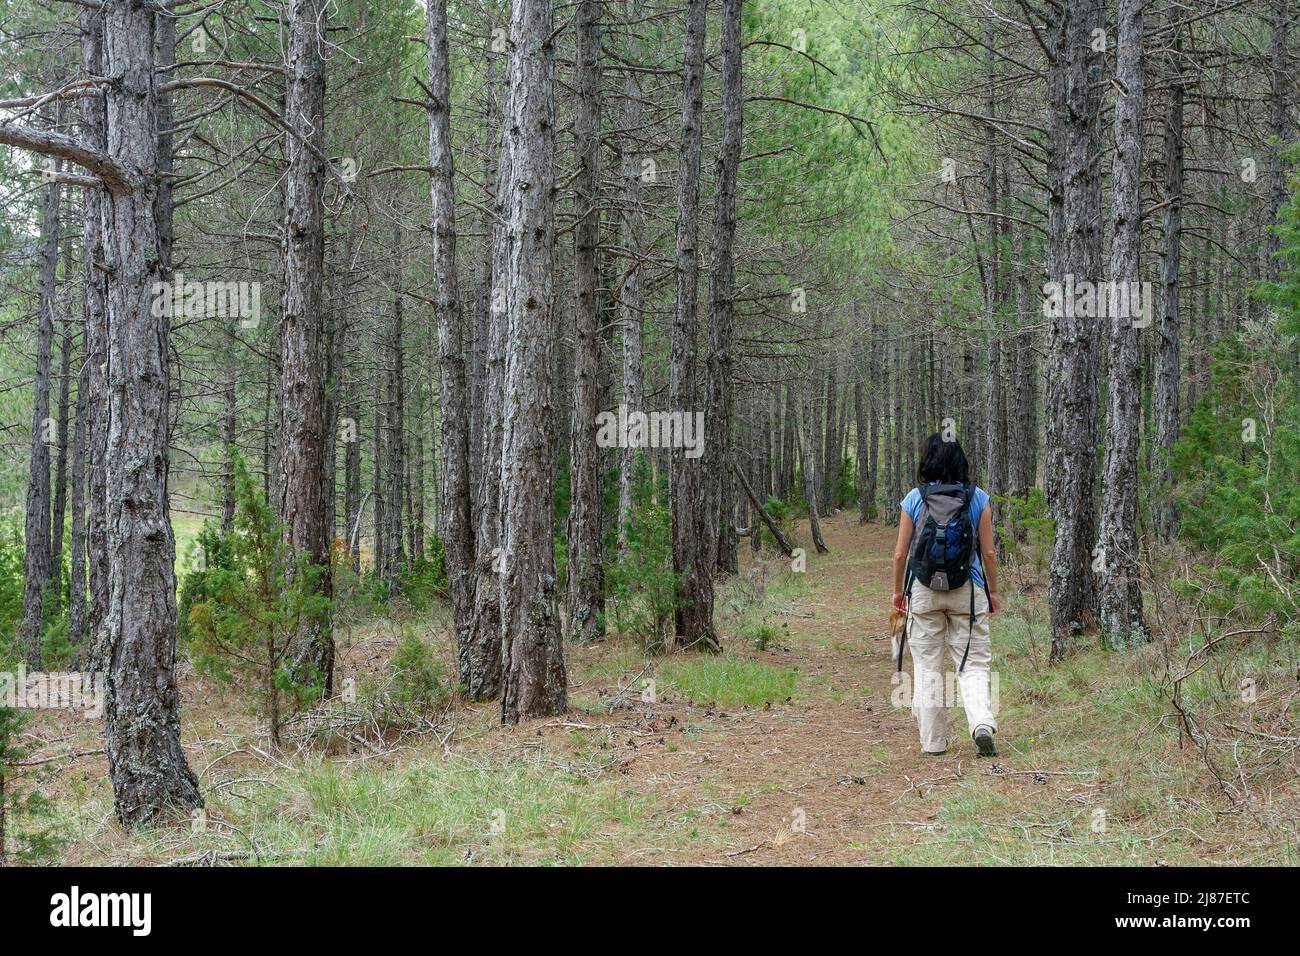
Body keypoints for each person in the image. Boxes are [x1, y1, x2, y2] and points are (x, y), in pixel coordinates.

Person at [891, 433, 1001, 757]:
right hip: (968, 590)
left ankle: (933, 743)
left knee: (927, 667)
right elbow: (990, 552)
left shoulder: (915, 497)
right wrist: (993, 591)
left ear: (927, 460)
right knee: (974, 662)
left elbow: (899, 554)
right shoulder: (977, 497)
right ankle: (981, 722)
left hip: (923, 591)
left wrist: (898, 593)